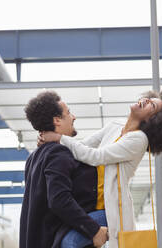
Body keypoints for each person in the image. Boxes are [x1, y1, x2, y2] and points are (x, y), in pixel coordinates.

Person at [39, 87, 162, 248]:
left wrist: (59, 138)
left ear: (152, 120)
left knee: (70, 243)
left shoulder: (139, 140)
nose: (146, 101)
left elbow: (95, 156)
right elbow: (83, 145)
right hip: (89, 204)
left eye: (151, 106)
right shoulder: (115, 125)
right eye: (149, 99)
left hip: (110, 210)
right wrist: (56, 144)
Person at [20, 91, 108, 248]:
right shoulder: (58, 153)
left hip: (40, 239)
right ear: (57, 120)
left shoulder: (34, 157)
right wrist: (94, 230)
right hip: (55, 240)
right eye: (68, 113)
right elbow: (59, 200)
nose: (73, 117)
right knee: (114, 216)